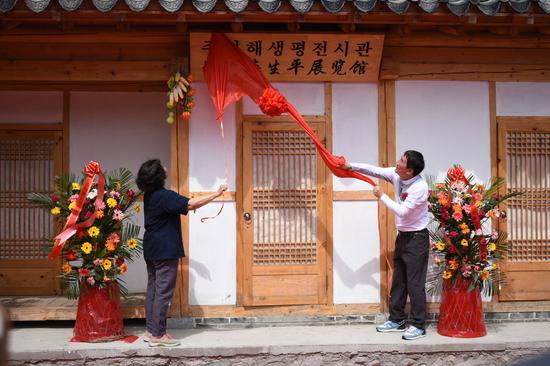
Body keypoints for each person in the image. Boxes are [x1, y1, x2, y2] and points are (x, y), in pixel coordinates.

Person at [136, 158, 228, 347]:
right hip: (164, 249)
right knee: (162, 291)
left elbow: (183, 206)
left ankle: (151, 330)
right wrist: (217, 193)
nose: (165, 167)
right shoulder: (163, 195)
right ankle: (158, 335)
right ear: (159, 174)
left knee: (154, 290)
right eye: (162, 166)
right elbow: (191, 204)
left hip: (152, 247)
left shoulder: (150, 194)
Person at [340, 150, 429, 341]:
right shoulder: (398, 175)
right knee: (399, 280)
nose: (397, 163)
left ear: (410, 171)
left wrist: (381, 195)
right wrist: (351, 166)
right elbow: (376, 171)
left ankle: (419, 325)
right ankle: (397, 320)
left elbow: (403, 211)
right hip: (403, 237)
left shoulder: (420, 188)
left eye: (401, 161)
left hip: (417, 239)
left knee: (415, 284)